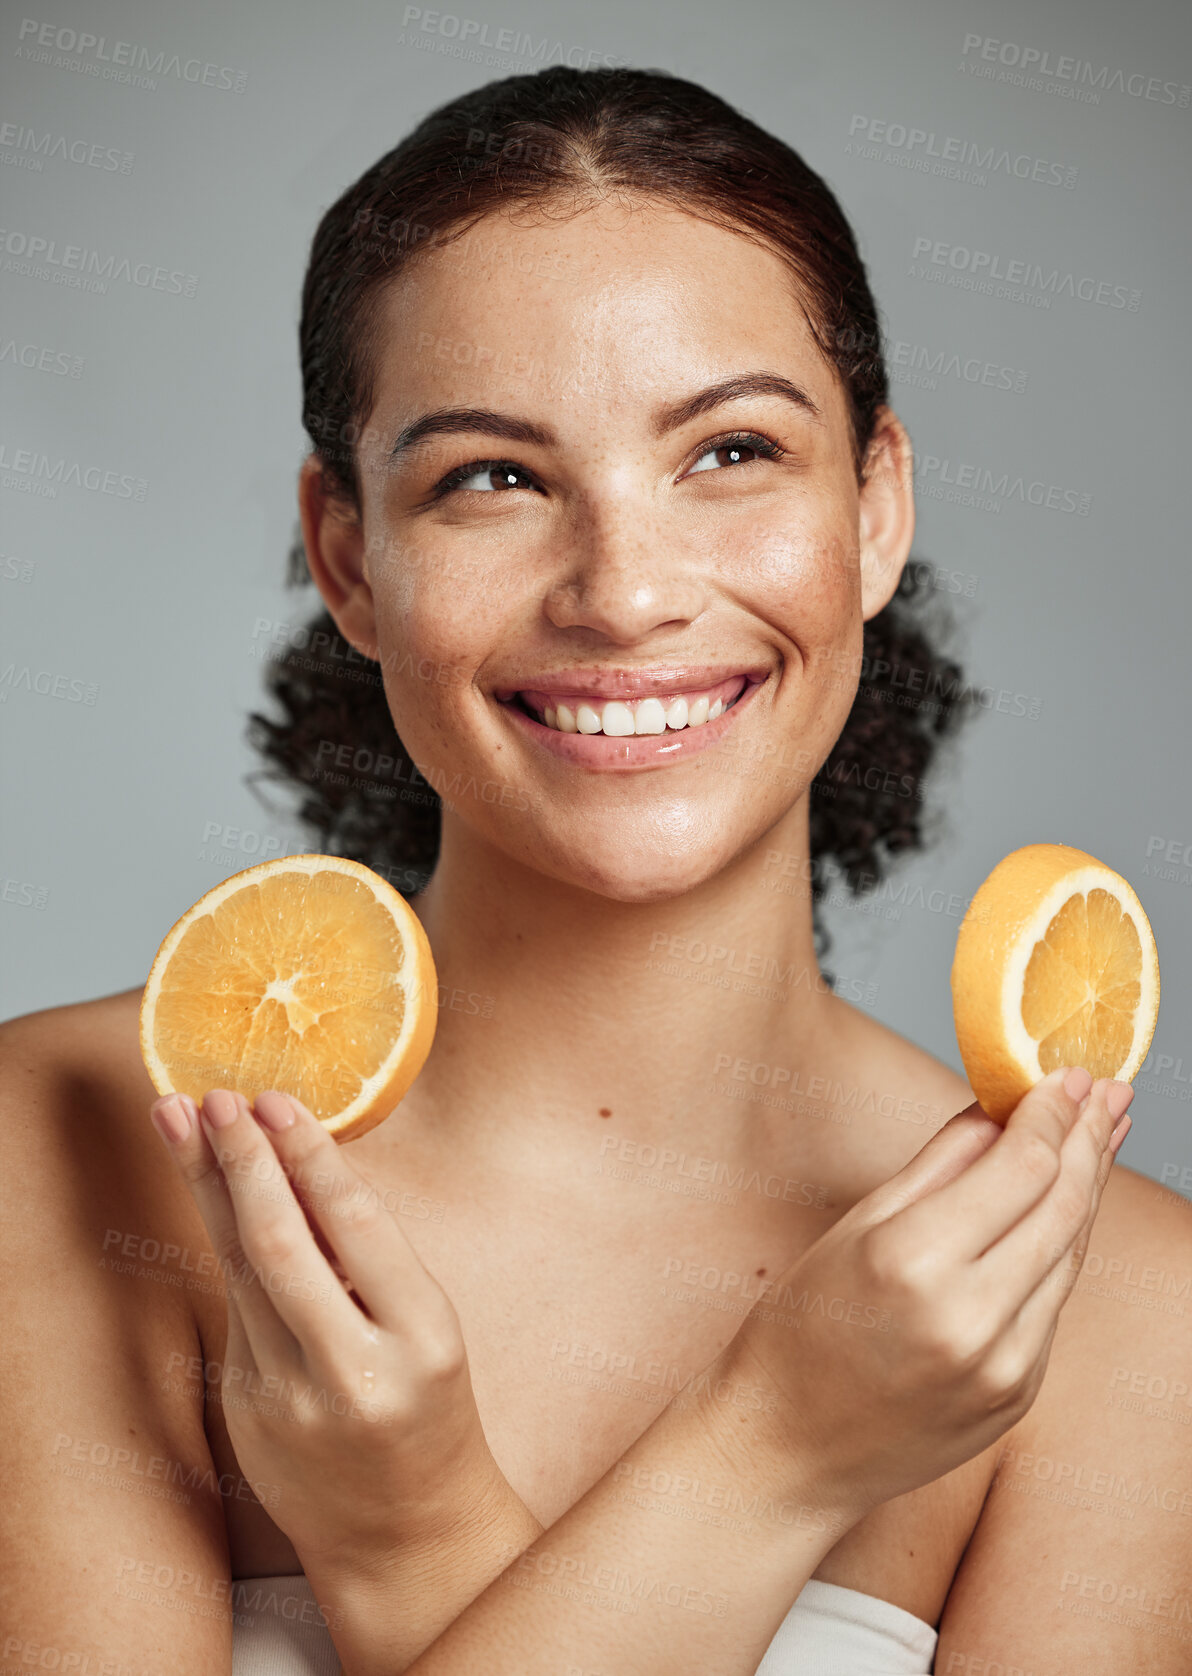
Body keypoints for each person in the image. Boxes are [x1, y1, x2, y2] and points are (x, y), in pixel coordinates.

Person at [3, 66, 1188, 1676]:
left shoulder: (1126, 1311)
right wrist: (779, 1452)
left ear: (876, 505)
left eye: (731, 453)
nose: (625, 594)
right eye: (494, 477)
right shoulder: (64, 1155)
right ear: (351, 559)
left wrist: (419, 1545)